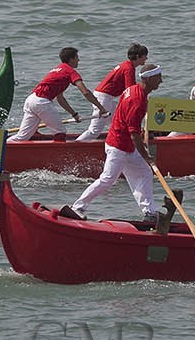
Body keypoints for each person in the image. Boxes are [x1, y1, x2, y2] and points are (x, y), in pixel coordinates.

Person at [64, 64, 164, 224]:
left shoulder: (134, 90)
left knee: (145, 172)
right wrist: (147, 156)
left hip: (127, 147)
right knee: (108, 179)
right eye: (159, 78)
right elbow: (134, 134)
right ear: (150, 79)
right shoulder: (136, 99)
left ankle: (149, 212)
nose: (161, 81)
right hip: (118, 146)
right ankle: (78, 207)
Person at [10, 47, 106, 141]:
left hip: (31, 100)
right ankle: (59, 155)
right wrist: (101, 108)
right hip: (41, 102)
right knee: (60, 132)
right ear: (71, 59)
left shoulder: (57, 70)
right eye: (77, 57)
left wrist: (74, 114)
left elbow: (61, 99)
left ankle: (2, 145)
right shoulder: (70, 72)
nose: (79, 60)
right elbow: (85, 92)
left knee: (22, 136)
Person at [77, 43, 148, 142]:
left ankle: (121, 143)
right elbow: (130, 91)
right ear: (137, 56)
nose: (146, 58)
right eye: (145, 56)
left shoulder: (126, 65)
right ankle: (73, 146)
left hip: (106, 98)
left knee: (120, 123)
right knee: (94, 131)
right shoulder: (128, 69)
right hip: (103, 99)